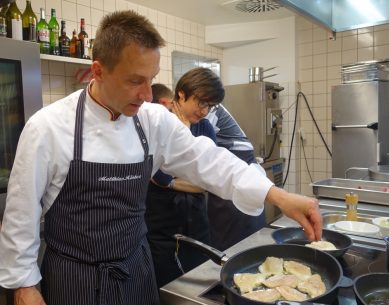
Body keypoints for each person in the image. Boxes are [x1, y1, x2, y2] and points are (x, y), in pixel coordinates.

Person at [0, 10, 321, 305]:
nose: (147, 95)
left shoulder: (152, 121)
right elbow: (21, 215)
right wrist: (25, 286)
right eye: (134, 80)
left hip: (138, 270)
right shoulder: (48, 127)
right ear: (97, 71)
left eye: (151, 79)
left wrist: (278, 195)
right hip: (76, 278)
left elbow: (209, 161)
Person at [146, 77, 220, 287]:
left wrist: (170, 181)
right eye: (201, 103)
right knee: (167, 285)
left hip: (196, 220)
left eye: (210, 105)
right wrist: (176, 180)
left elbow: (209, 179)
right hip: (160, 223)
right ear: (181, 94)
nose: (205, 111)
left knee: (201, 279)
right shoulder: (159, 125)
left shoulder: (205, 127)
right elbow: (155, 174)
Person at [206, 104, 268, 250]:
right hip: (236, 177)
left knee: (236, 246)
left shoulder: (206, 109)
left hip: (236, 178)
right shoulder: (206, 107)